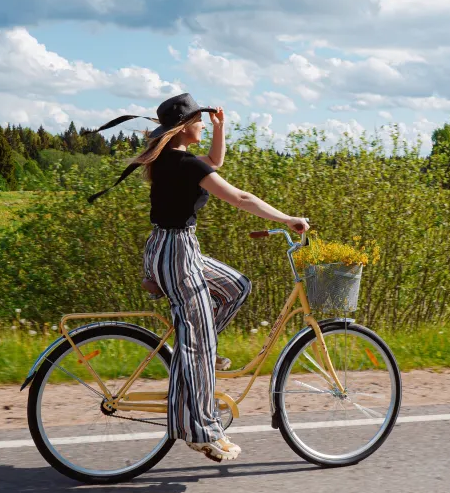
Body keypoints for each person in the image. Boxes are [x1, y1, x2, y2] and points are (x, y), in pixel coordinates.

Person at [88, 92, 309, 464]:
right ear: (183, 128)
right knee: (199, 345)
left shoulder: (171, 160)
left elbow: (214, 161)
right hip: (177, 255)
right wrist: (287, 218)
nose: (204, 125)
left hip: (168, 249)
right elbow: (241, 197)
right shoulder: (185, 165)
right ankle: (202, 432)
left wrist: (221, 130)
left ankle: (197, 351)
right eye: (200, 121)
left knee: (235, 287)